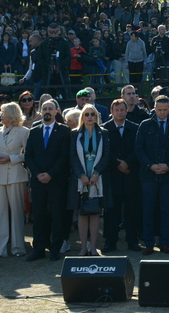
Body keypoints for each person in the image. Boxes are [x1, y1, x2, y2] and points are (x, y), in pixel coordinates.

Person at [24, 100, 70, 262]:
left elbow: (64, 156)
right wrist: (38, 174)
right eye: (44, 109)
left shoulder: (64, 130)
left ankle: (55, 249)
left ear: (56, 111)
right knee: (39, 217)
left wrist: (50, 174)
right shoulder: (34, 131)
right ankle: (39, 249)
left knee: (57, 216)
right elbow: (28, 156)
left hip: (56, 181)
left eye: (50, 109)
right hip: (38, 182)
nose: (47, 111)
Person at [134, 96, 169, 255]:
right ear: (154, 108)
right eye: (159, 110)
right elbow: (139, 148)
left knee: (166, 210)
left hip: (168, 175)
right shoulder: (145, 125)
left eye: (165, 110)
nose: (162, 113)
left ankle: (164, 242)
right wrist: (151, 166)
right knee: (148, 210)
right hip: (148, 175)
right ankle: (148, 243)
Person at [0, 102, 29, 259]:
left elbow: (27, 154)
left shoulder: (24, 131)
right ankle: (0, 249)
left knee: (17, 212)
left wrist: (11, 158)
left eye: (3, 112)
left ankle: (18, 247)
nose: (1, 115)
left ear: (11, 115)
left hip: (16, 176)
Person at [69, 104, 109, 256]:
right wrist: (81, 174)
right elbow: (72, 155)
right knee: (82, 213)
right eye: (86, 114)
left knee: (95, 213)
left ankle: (93, 247)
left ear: (96, 116)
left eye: (92, 114)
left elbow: (106, 154)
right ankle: (83, 248)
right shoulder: (75, 134)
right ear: (82, 117)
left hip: (98, 179)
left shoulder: (103, 133)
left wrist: (97, 173)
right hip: (81, 180)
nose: (90, 117)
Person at [101, 98, 140, 253]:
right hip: (112, 176)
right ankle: (110, 242)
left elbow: (138, 148)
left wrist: (127, 163)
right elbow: (104, 151)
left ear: (126, 111)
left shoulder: (135, 128)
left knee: (132, 211)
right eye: (116, 110)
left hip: (131, 175)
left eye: (122, 110)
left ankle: (132, 241)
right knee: (111, 212)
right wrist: (118, 164)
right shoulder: (104, 129)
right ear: (111, 112)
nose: (119, 113)